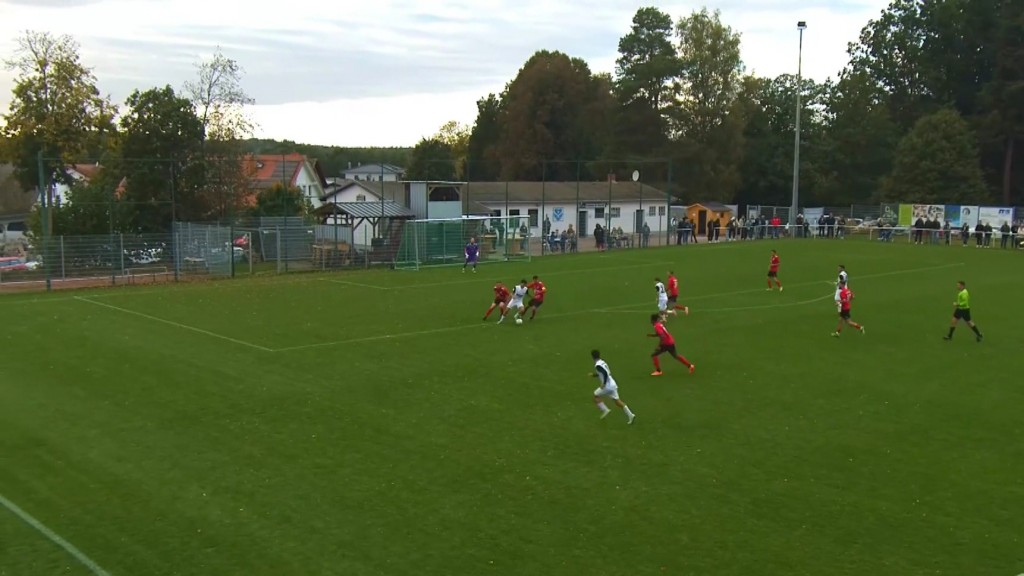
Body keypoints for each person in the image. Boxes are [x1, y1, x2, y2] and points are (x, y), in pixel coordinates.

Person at [589, 350, 636, 424]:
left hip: (607, 386)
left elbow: (604, 373)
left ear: (592, 357)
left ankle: (605, 410)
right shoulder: (602, 362)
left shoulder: (597, 365)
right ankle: (631, 415)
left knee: (595, 395)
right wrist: (594, 375)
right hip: (612, 384)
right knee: (617, 402)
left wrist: (603, 383)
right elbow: (604, 372)